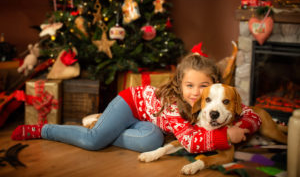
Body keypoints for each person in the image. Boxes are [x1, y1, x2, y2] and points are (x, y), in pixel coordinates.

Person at [11, 47, 261, 153]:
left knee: (151, 141)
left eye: (203, 86)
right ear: (180, 84)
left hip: (146, 120)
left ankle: (106, 125)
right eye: (189, 85)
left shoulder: (217, 101)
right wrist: (227, 135)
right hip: (130, 104)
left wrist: (244, 126)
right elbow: (190, 142)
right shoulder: (176, 105)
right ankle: (43, 129)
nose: (195, 93)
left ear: (214, 86)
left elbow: (251, 113)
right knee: (94, 141)